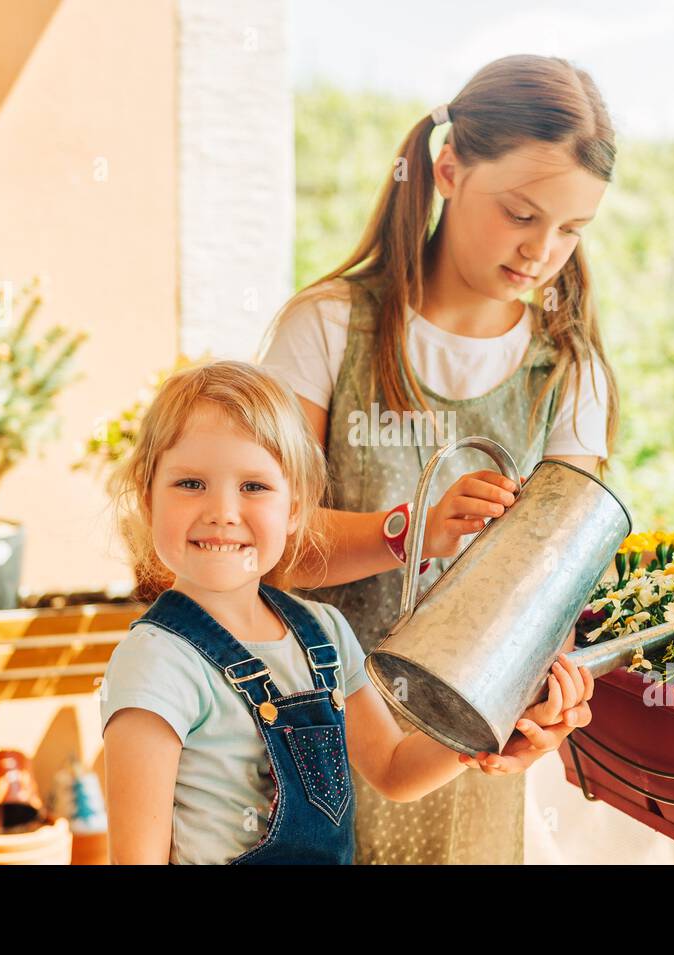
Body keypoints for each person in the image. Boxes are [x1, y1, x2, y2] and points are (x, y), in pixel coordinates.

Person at [259, 53, 621, 864]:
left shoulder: (568, 372)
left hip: (460, 761)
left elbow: (550, 607)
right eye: (521, 214)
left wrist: (542, 713)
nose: (542, 251)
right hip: (312, 739)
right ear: (449, 168)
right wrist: (408, 529)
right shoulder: (326, 329)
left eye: (570, 229)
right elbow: (266, 548)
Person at [99, 361, 593, 864]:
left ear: (296, 507)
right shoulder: (156, 661)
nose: (222, 511)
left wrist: (501, 719)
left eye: (254, 487)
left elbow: (395, 770)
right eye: (190, 484)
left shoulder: (325, 634)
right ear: (147, 499)